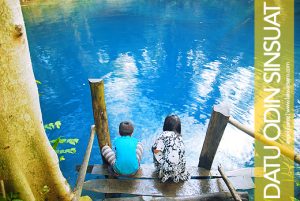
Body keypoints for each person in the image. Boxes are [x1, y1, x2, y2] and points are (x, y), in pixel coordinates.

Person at [152, 115, 190, 183]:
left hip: (165, 172)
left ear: (165, 125)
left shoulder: (162, 136)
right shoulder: (180, 138)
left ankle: (161, 171)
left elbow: (156, 150)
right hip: (180, 172)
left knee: (155, 149)